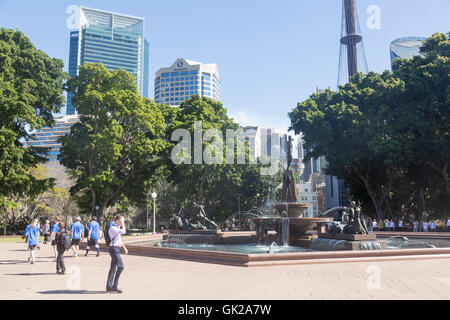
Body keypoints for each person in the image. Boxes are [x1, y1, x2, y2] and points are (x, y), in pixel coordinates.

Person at [106, 215, 128, 293]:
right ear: (117, 220)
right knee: (121, 267)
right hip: (114, 249)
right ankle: (115, 285)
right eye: (122, 221)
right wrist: (123, 224)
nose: (122, 223)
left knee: (113, 268)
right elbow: (124, 231)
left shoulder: (116, 228)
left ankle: (109, 287)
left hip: (116, 249)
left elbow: (119, 240)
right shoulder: (113, 228)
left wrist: (124, 247)